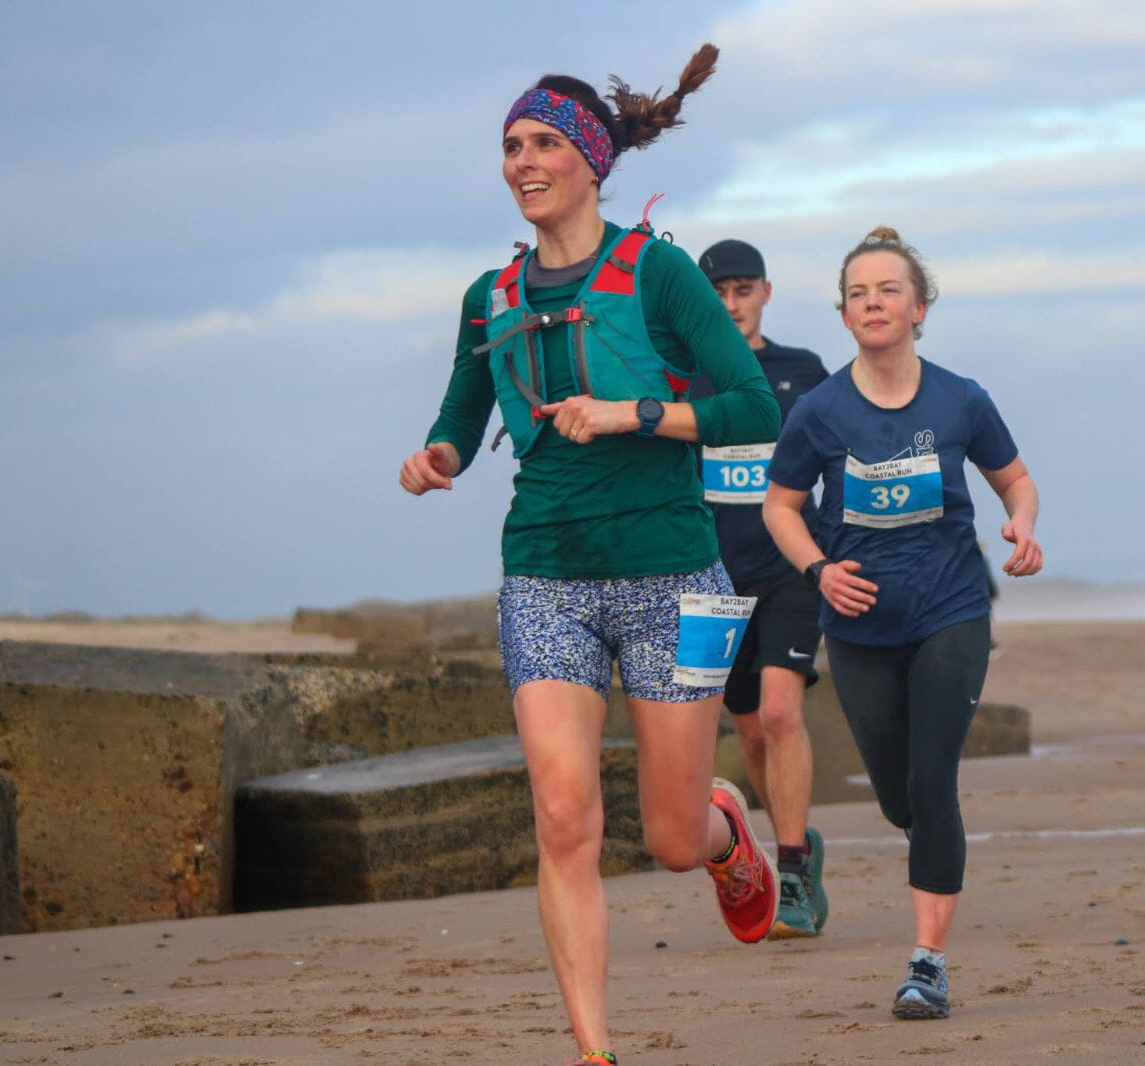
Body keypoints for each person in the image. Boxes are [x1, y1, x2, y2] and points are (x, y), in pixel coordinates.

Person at [398, 46, 784, 1066]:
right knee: (564, 817)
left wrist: (634, 413)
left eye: (541, 144)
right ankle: (594, 1052)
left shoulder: (658, 272)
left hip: (674, 574)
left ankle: (724, 828)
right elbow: (461, 414)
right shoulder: (489, 294)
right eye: (510, 146)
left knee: (669, 840)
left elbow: (752, 408)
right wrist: (436, 458)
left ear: (591, 161)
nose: (521, 162)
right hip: (545, 575)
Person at [760, 226, 1043, 1020]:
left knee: (931, 777)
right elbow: (779, 506)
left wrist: (1021, 524)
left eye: (889, 290)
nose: (873, 302)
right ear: (844, 315)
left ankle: (927, 963)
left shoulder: (961, 399)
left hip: (951, 610)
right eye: (858, 293)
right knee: (899, 799)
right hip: (858, 628)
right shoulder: (819, 411)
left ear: (919, 308)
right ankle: (934, 844)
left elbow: (1015, 481)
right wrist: (819, 570)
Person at [692, 238, 830, 938]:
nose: (730, 304)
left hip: (789, 571)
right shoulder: (680, 377)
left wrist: (830, 550)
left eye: (743, 290)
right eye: (717, 293)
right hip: (711, 578)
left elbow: (841, 458)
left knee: (780, 714)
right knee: (747, 729)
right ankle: (790, 838)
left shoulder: (803, 371)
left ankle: (795, 868)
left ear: (766, 293)